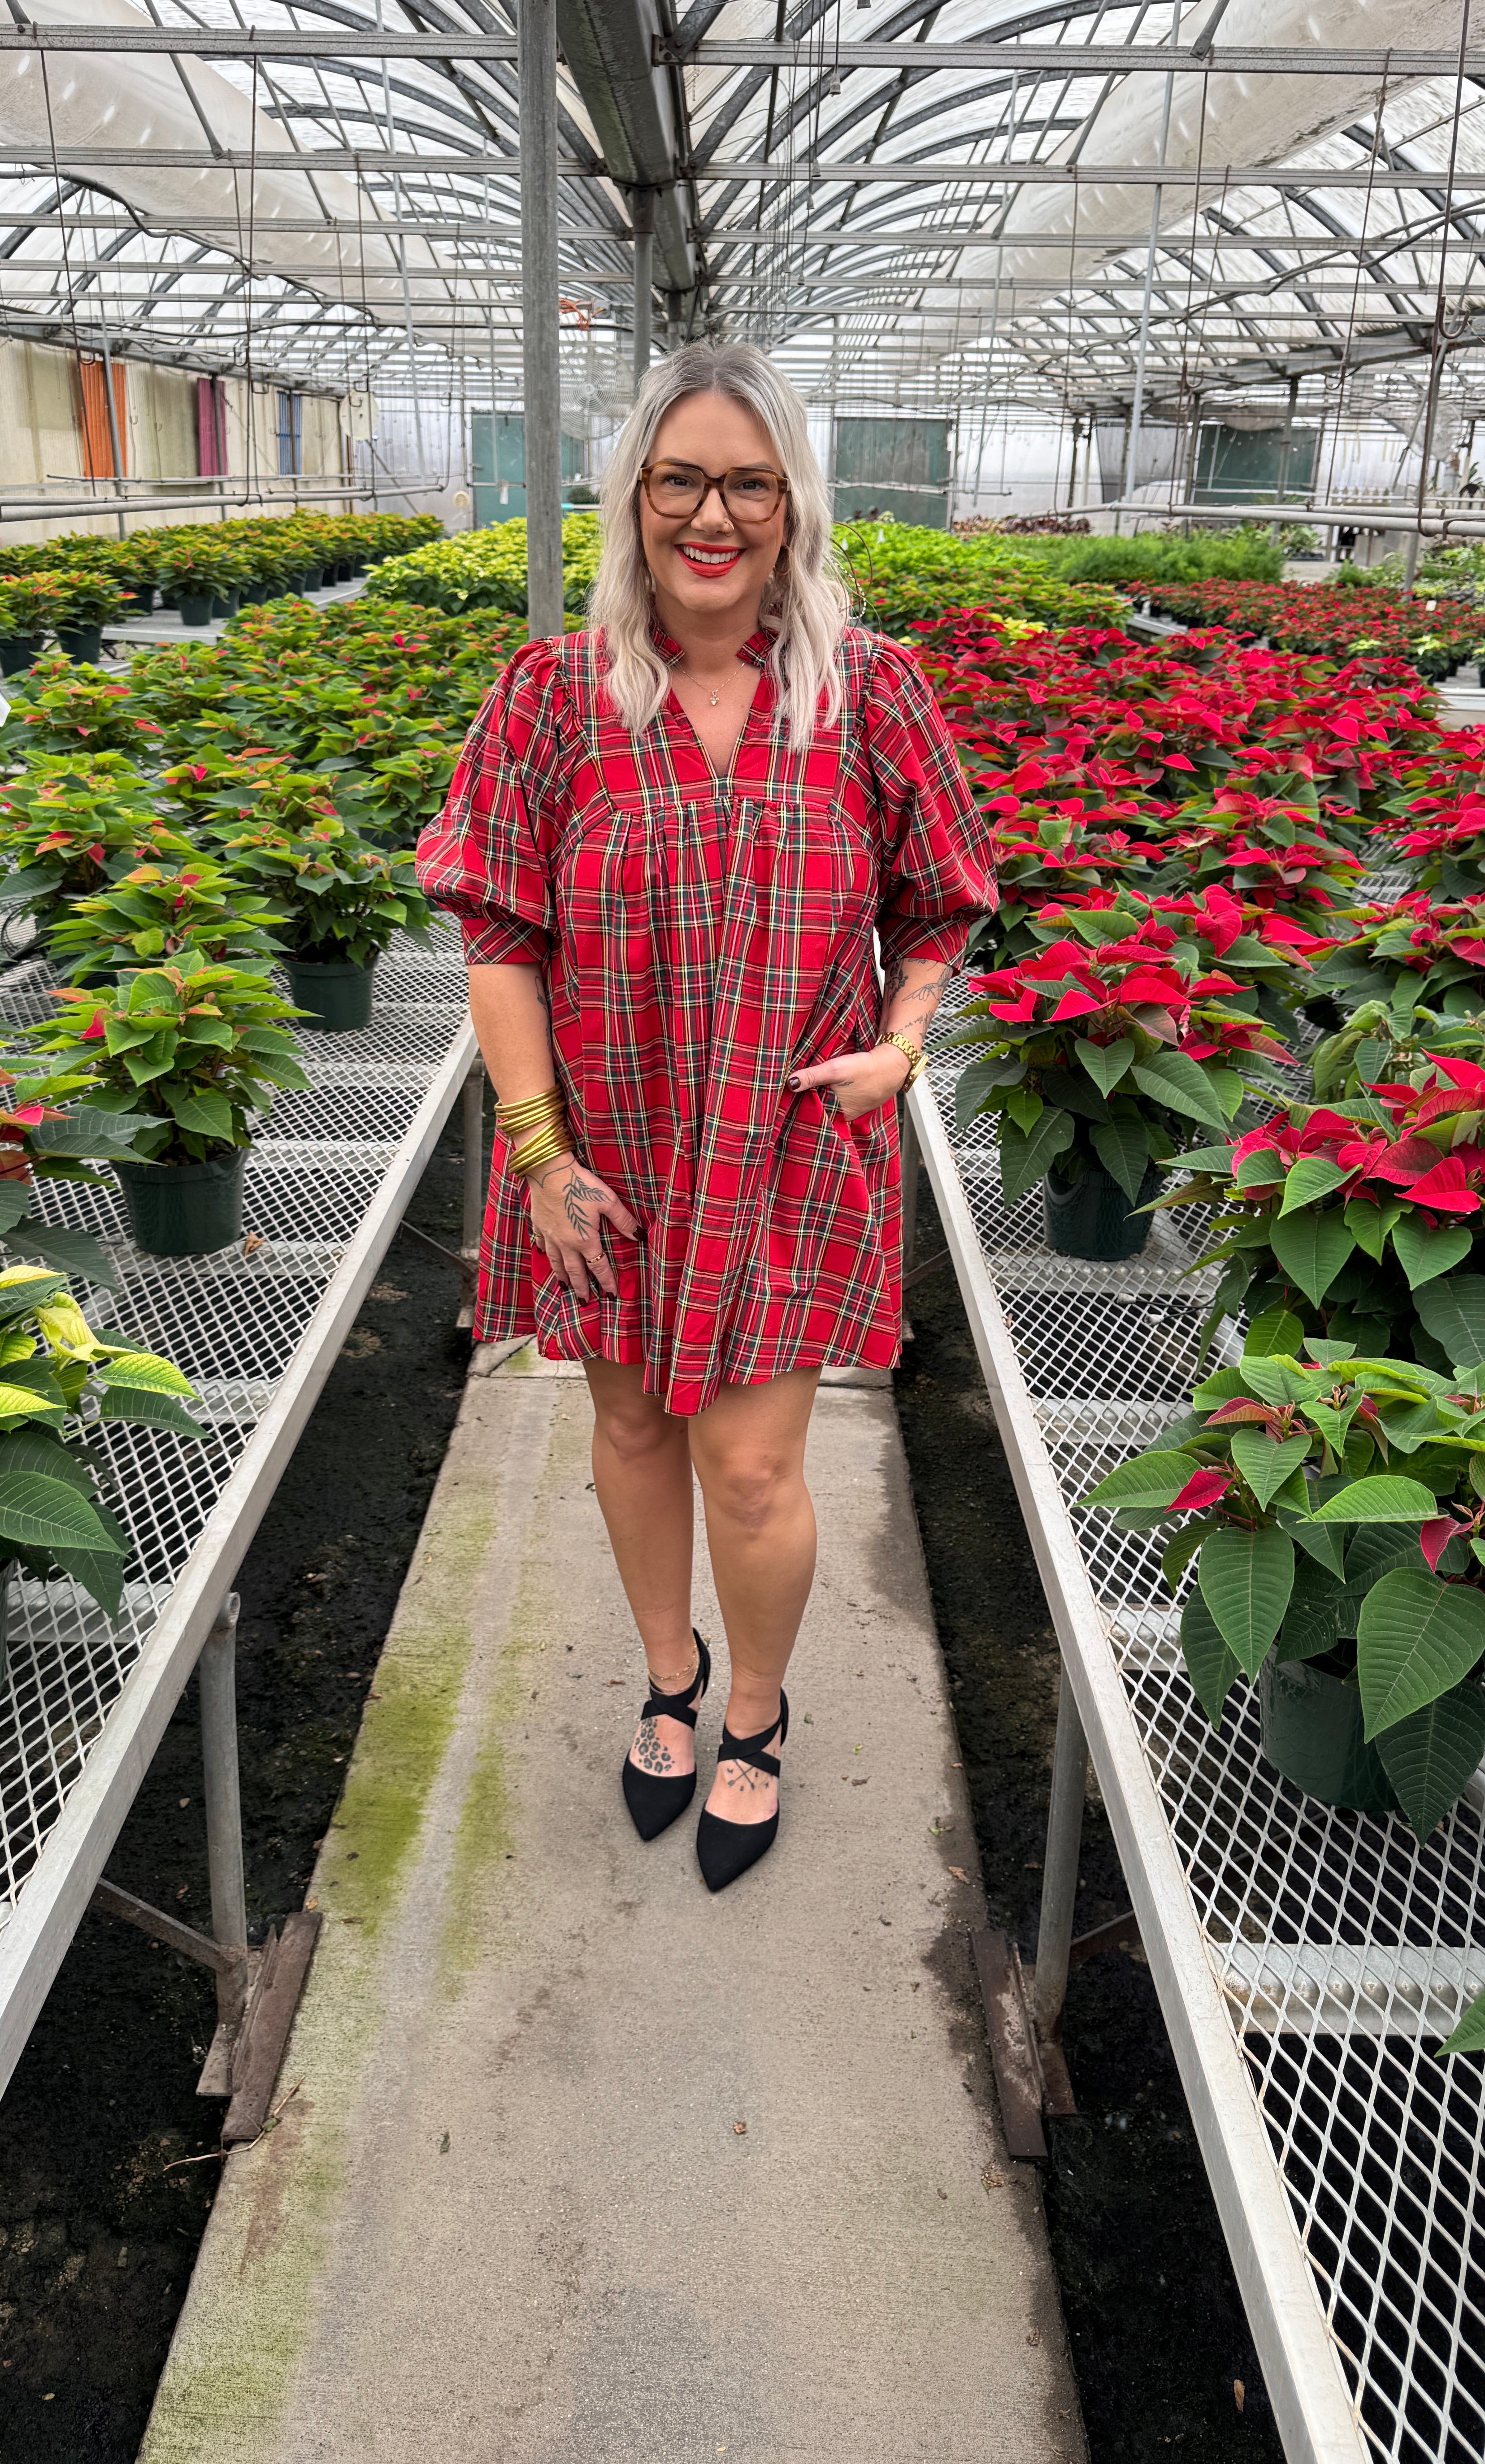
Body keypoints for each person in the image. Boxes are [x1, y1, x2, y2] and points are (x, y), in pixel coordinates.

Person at [416, 342, 996, 1892]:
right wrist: (537, 1158)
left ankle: (754, 1714)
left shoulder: (871, 691)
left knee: (750, 1467)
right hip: (598, 1155)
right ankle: (664, 1680)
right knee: (624, 1421)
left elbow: (943, 900)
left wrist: (902, 1044)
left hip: (791, 1146)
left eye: (747, 482)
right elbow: (497, 938)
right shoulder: (552, 696)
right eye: (680, 480)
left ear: (792, 506)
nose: (712, 515)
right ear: (635, 502)